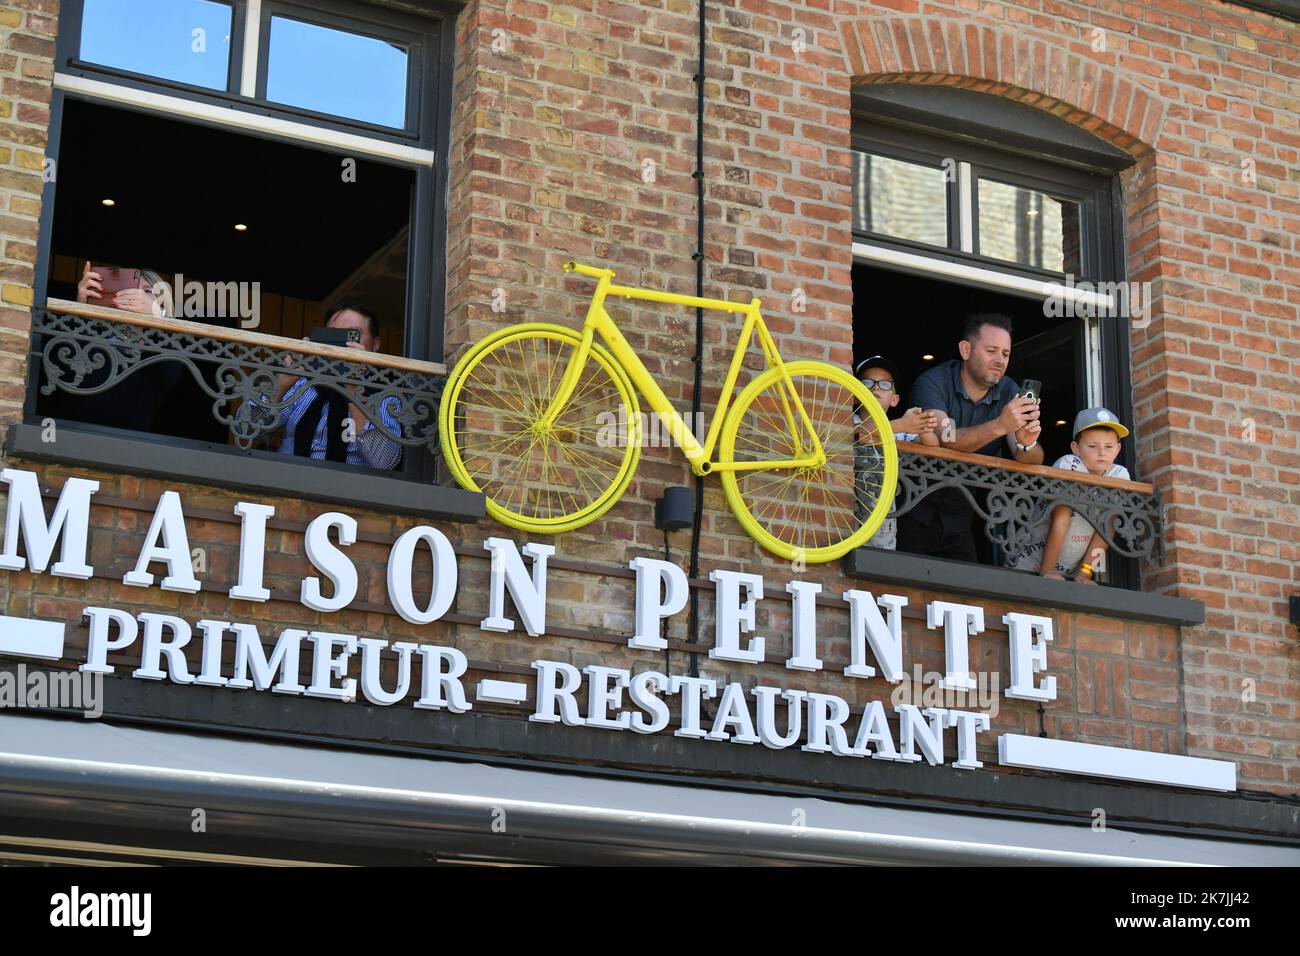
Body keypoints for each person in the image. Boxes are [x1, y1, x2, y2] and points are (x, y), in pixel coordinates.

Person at [898, 313, 1044, 562]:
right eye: (991, 350)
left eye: (1005, 354)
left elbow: (1032, 458)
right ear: (965, 350)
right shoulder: (933, 381)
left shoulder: (1009, 389)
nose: (999, 360)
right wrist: (1000, 425)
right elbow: (946, 437)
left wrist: (1026, 441)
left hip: (963, 517)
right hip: (911, 509)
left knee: (964, 597)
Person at [249, 303, 403, 470]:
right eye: (334, 334)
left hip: (352, 490)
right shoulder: (301, 384)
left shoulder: (386, 398)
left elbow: (386, 462)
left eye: (353, 334)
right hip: (287, 481)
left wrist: (353, 391)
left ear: (375, 344)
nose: (344, 343)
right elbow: (248, 429)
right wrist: (280, 386)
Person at [56, 262, 183, 432]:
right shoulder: (95, 334)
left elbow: (171, 370)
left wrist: (158, 315)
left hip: (130, 445)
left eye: (146, 292)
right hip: (72, 435)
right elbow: (63, 359)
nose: (136, 296)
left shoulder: (162, 349)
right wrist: (81, 308)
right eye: (130, 288)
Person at [1011, 408, 1131, 583]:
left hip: (1067, 572)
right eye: (1092, 446)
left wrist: (1084, 573)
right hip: (1027, 562)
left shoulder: (1118, 474)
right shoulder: (1069, 464)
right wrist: (1048, 569)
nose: (1102, 452)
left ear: (1118, 449)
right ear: (1076, 448)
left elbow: (1107, 530)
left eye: (1109, 446)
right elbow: (1062, 518)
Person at [853, 355, 938, 550]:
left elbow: (932, 446)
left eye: (884, 384)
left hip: (882, 517)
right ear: (856, 393)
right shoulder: (850, 420)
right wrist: (902, 424)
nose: (875, 388)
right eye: (867, 382)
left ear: (895, 399)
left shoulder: (899, 430)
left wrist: (921, 424)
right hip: (848, 508)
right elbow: (860, 434)